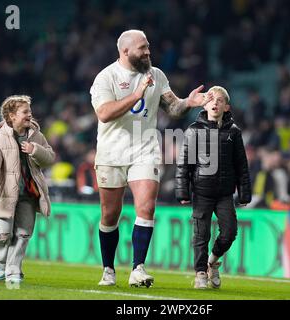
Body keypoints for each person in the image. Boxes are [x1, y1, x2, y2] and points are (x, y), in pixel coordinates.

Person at [89, 29, 212, 287]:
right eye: (142, 48)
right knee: (110, 215)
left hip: (145, 150)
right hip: (111, 153)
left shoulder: (156, 75)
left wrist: (188, 102)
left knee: (146, 208)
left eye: (148, 47)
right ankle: (109, 269)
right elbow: (104, 113)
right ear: (125, 52)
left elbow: (173, 107)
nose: (147, 52)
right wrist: (135, 94)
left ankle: (138, 268)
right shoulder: (106, 77)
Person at [175, 86, 251, 289]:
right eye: (210, 99)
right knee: (201, 235)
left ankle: (212, 262)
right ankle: (200, 273)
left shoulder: (234, 133)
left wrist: (244, 193)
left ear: (227, 107)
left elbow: (241, 165)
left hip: (225, 193)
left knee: (230, 232)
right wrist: (182, 190)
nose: (215, 103)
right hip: (202, 191)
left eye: (219, 100)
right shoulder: (194, 130)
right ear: (204, 104)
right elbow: (185, 164)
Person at [0, 95, 55, 286]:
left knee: (23, 234)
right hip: (5, 195)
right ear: (12, 116)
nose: (30, 115)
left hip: (28, 195)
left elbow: (50, 158)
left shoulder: (37, 136)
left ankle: (14, 270)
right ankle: (0, 261)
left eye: (30, 111)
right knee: (4, 234)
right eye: (25, 112)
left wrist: (35, 150)